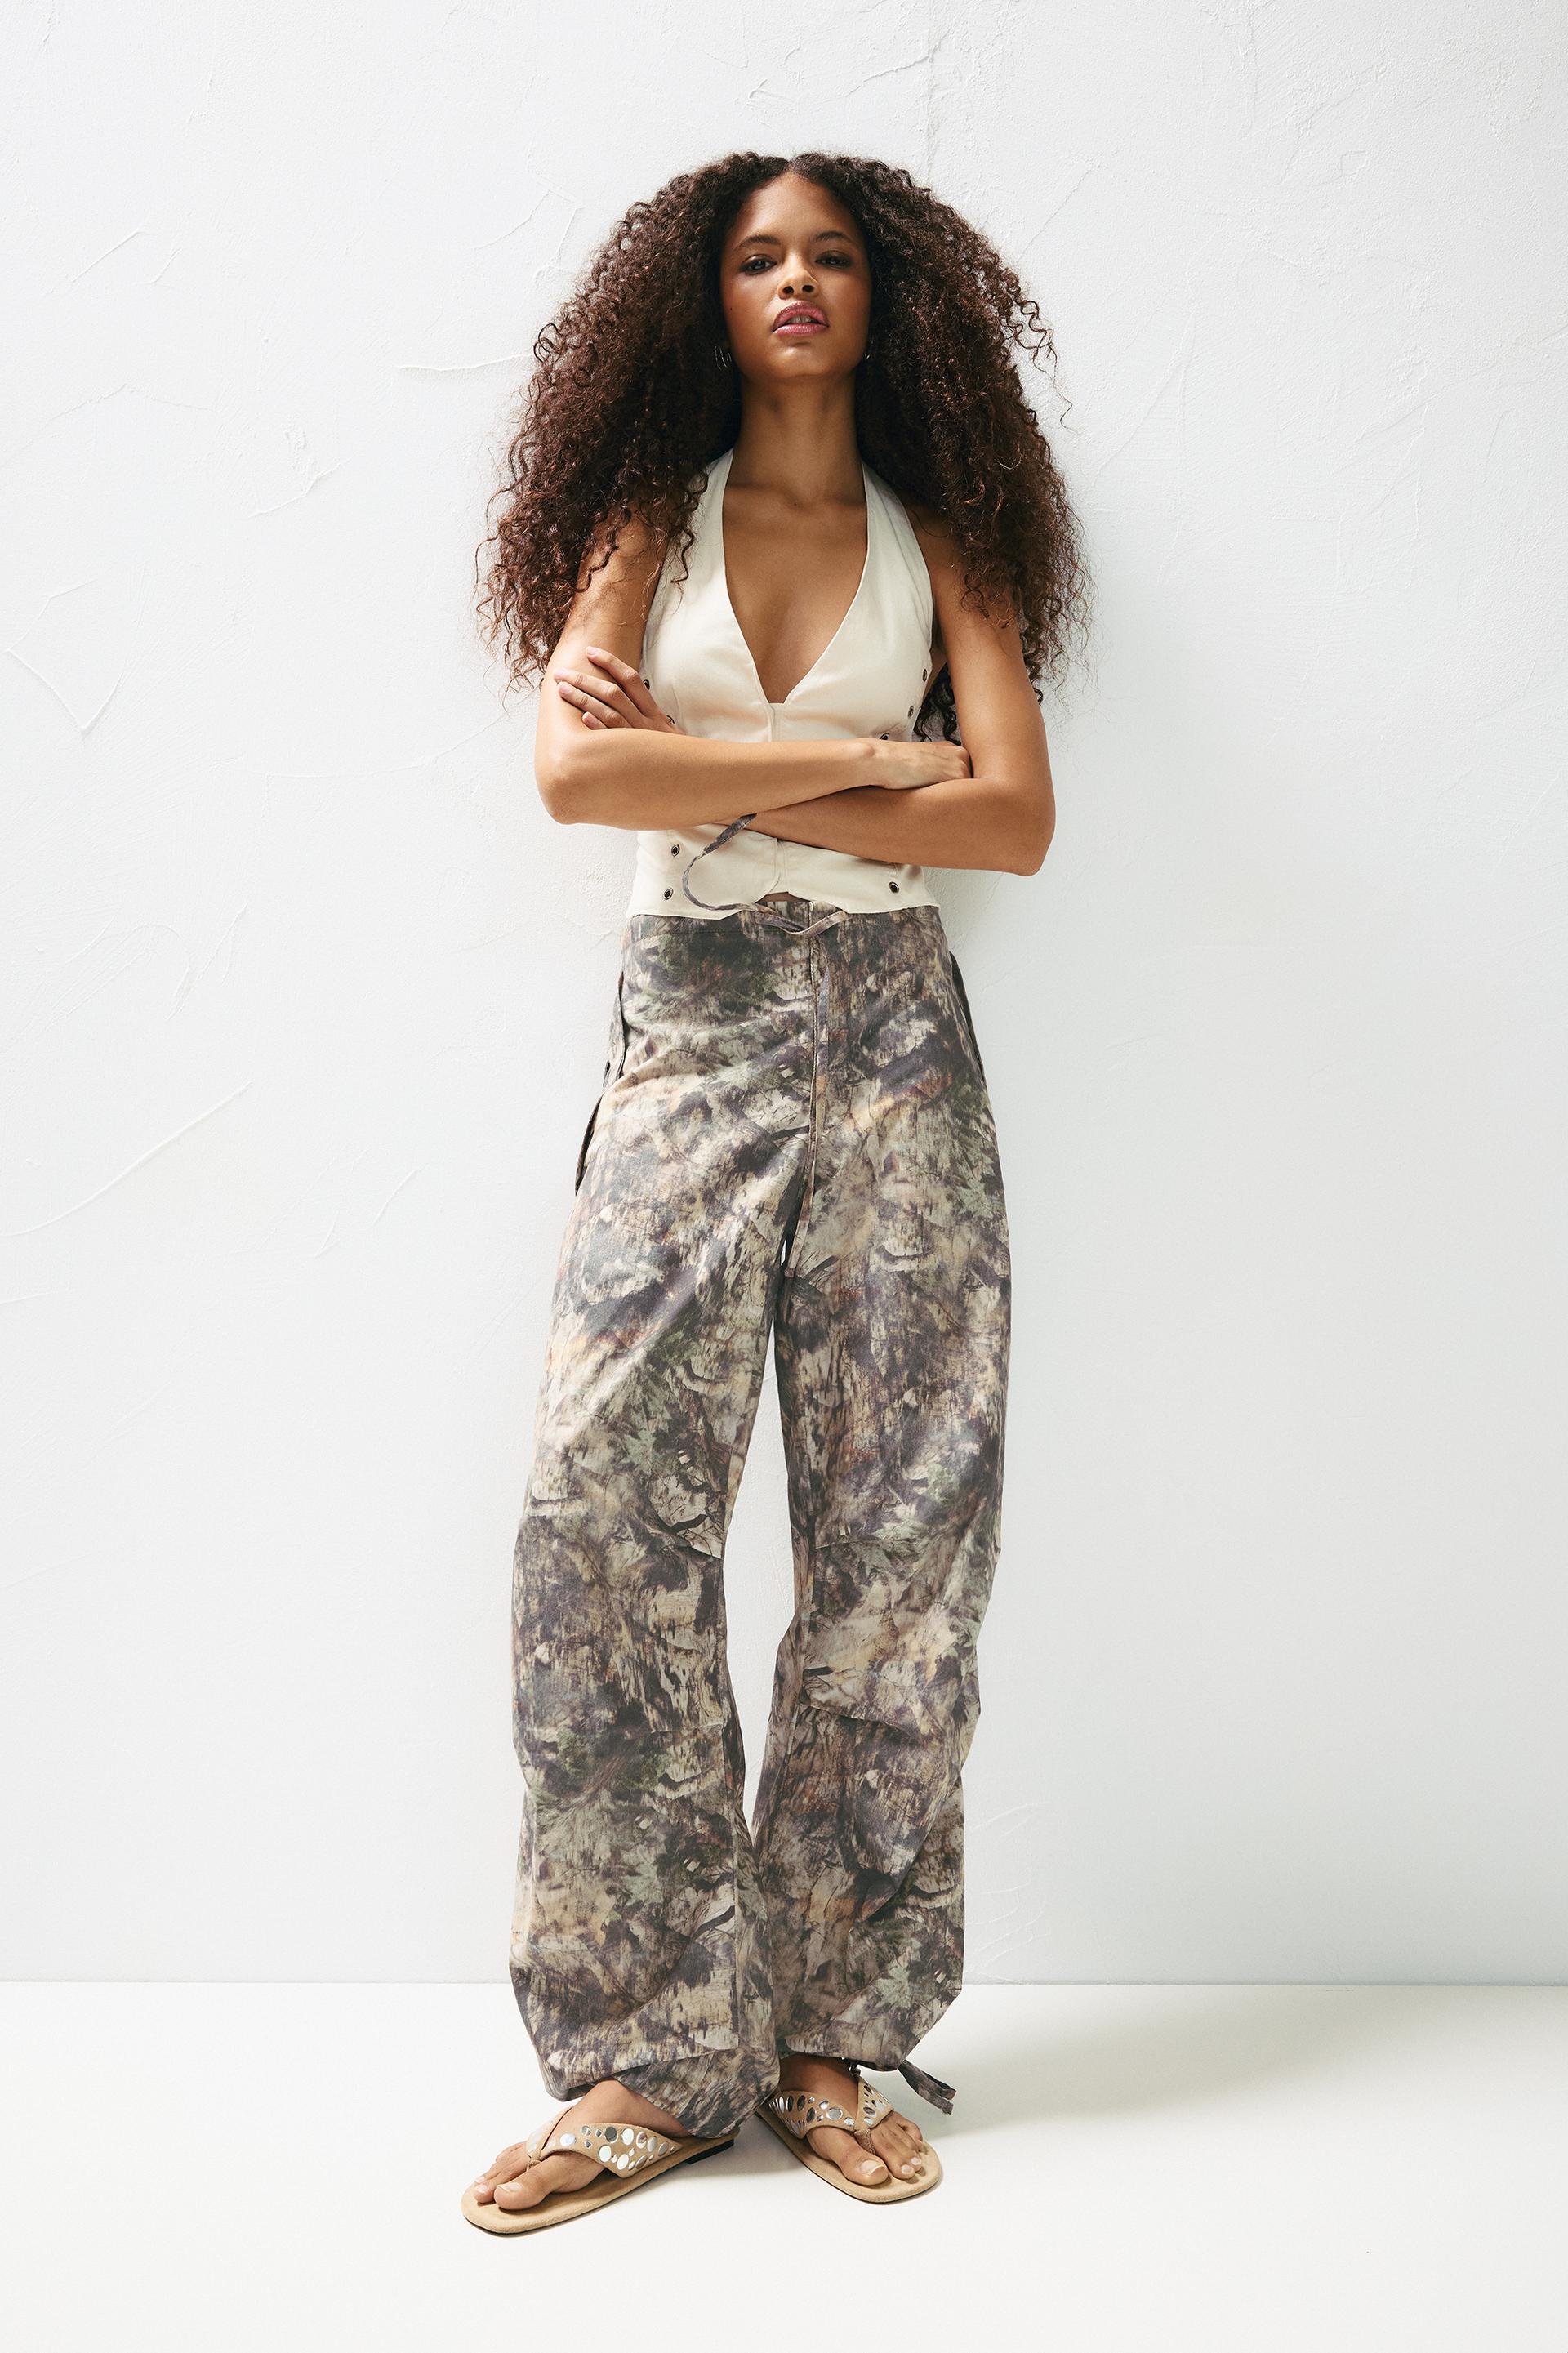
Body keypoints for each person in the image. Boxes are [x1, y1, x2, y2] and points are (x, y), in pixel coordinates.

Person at [463, 148, 1088, 2232]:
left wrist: (727, 768)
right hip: (697, 1019)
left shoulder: (946, 534)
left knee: (904, 1538)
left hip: (901, 1037)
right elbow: (577, 776)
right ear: (704, 298)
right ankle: (654, 2052)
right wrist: (885, 767)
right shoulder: (651, 519)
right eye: (757, 257)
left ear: (888, 298)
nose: (795, 281)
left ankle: (832, 2034)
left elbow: (1015, 820)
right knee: (596, 1512)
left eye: (829, 255)